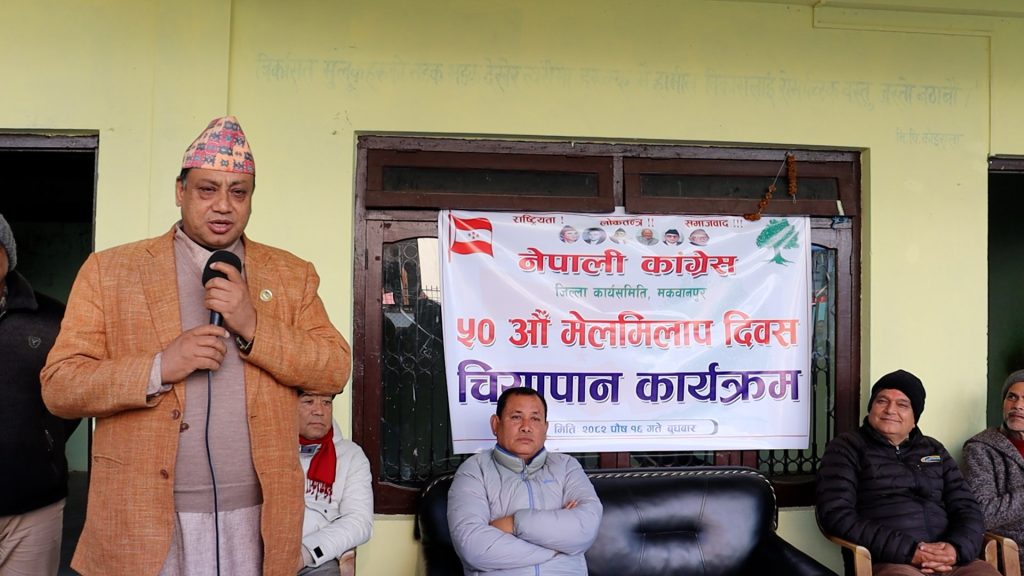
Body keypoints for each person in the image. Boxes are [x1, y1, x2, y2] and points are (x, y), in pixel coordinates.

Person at [40, 116, 351, 575]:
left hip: (258, 521)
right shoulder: (111, 270)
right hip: (142, 518)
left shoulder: (291, 274)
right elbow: (60, 386)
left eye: (238, 192)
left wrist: (253, 325)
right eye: (207, 189)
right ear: (179, 191)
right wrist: (159, 367)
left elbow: (334, 367)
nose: (223, 205)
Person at [816, 370, 997, 576]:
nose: (890, 410)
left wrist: (955, 549)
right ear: (871, 408)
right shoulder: (846, 448)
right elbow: (836, 514)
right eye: (882, 401)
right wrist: (910, 552)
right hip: (891, 561)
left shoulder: (933, 449)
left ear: (914, 418)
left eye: (902, 405)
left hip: (950, 560)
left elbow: (967, 507)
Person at [447, 387, 602, 575]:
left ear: (545, 428)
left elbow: (585, 528)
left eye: (535, 419)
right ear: (495, 424)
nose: (526, 427)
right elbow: (474, 547)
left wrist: (514, 523)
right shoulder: (474, 470)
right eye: (516, 417)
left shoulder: (567, 466)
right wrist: (559, 546)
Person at [0, 214, 80, 575]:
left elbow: (72, 395)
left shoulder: (52, 318)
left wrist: (44, 440)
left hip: (35, 508)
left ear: (7, 253)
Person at [297, 390, 372, 576]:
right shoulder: (270, 450)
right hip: (267, 548)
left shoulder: (351, 455)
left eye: (326, 403)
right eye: (309, 401)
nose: (319, 411)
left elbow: (359, 521)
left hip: (316, 558)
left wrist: (306, 553)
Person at [962, 369, 1024, 568]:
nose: (1017, 405)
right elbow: (983, 514)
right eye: (1011, 397)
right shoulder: (980, 449)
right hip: (1013, 551)